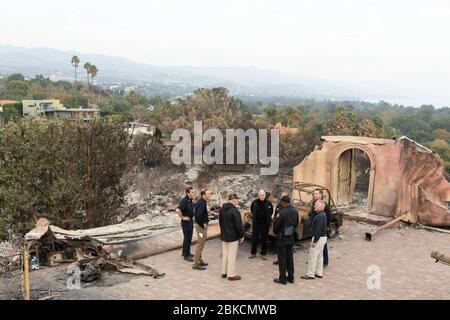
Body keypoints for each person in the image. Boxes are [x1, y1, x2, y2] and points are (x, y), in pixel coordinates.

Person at [273, 196, 299, 285]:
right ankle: (291, 277)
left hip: (282, 238)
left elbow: (275, 227)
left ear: (283, 202)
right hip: (290, 237)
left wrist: (277, 232)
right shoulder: (295, 211)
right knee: (290, 258)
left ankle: (283, 278)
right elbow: (296, 223)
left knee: (282, 259)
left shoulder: (282, 212)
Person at [219, 194, 245, 281]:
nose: (237, 201)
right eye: (237, 199)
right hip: (233, 236)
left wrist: (223, 232)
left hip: (224, 235)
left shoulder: (222, 209)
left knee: (225, 254)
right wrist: (241, 235)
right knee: (232, 256)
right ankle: (231, 275)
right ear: (233, 199)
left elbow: (220, 223)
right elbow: (238, 225)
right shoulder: (234, 210)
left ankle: (224, 272)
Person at [301, 200, 327, 280]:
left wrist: (315, 241)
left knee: (313, 256)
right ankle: (319, 273)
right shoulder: (323, 215)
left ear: (321, 207)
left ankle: (310, 274)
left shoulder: (319, 217)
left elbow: (317, 230)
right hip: (323, 238)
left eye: (316, 205)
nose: (314, 206)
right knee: (320, 256)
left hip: (318, 238)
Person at [309, 189, 331, 266]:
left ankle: (325, 261)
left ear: (321, 195)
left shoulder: (324, 205)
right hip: (315, 227)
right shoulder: (314, 203)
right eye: (314, 193)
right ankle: (317, 261)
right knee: (317, 245)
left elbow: (328, 216)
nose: (314, 195)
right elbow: (312, 214)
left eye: (316, 193)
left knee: (323, 245)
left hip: (321, 229)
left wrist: (325, 227)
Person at [249, 190, 273, 260]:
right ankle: (253, 253)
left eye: (263, 195)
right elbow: (252, 211)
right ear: (258, 195)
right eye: (260, 195)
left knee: (264, 240)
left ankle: (263, 254)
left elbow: (271, 212)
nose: (262, 196)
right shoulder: (254, 203)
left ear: (265, 196)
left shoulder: (269, 203)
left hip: (265, 225)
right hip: (256, 224)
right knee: (254, 239)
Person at [193, 190, 211, 270]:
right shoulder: (202, 203)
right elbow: (197, 216)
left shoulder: (202, 202)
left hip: (201, 227)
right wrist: (203, 224)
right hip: (201, 228)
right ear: (204, 194)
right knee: (200, 244)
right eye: (208, 194)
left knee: (201, 244)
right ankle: (196, 264)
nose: (210, 195)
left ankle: (199, 260)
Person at [176, 187, 195, 262]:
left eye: (194, 192)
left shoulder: (190, 200)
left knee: (188, 238)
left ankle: (185, 252)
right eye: (192, 192)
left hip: (190, 221)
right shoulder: (184, 201)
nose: (194, 193)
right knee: (187, 238)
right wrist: (183, 217)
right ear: (188, 193)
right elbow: (177, 210)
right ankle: (186, 256)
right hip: (186, 222)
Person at [273, 192, 289, 265]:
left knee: (284, 247)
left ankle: (282, 260)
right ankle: (279, 259)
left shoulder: (288, 208)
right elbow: (276, 214)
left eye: (284, 197)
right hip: (278, 229)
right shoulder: (279, 205)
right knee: (279, 246)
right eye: (282, 197)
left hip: (284, 229)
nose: (282, 199)